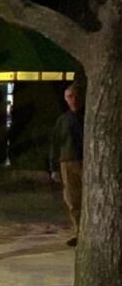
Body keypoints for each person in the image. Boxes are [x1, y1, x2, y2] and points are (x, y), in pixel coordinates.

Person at [50, 82, 85, 247]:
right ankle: (78, 232)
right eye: (70, 97)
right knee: (72, 200)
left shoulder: (87, 116)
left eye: (75, 96)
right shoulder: (63, 120)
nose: (73, 100)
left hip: (85, 161)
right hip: (68, 162)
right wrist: (54, 167)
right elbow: (55, 144)